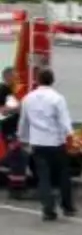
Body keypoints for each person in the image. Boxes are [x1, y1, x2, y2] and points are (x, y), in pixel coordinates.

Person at [17, 68, 77, 221]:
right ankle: (67, 206)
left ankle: (48, 210)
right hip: (56, 143)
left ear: (37, 80)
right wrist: (71, 139)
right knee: (63, 175)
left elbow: (24, 122)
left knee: (44, 177)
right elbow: (65, 122)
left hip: (38, 143)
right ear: (52, 80)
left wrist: (22, 139)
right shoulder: (57, 98)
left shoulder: (27, 98)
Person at [0, 67, 28, 199]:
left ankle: (16, 188)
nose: (17, 78)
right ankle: (16, 190)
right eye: (14, 76)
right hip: (7, 130)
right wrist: (17, 108)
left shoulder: (11, 91)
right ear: (7, 77)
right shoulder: (2, 90)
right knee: (18, 158)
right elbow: (2, 111)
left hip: (14, 130)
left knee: (17, 158)